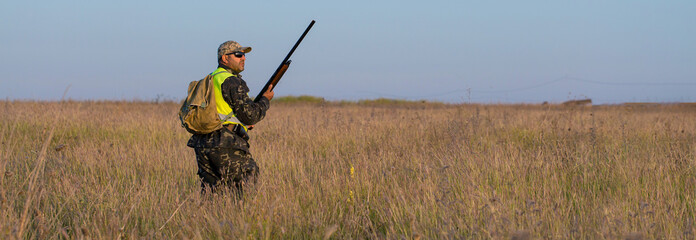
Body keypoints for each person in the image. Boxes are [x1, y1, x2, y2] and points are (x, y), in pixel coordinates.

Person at [187, 40, 274, 195]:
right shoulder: (231, 80)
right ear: (225, 58)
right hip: (225, 142)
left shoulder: (209, 79)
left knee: (212, 195)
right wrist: (265, 100)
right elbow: (250, 115)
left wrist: (241, 124)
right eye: (238, 54)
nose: (243, 58)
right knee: (245, 183)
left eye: (244, 55)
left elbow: (219, 110)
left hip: (203, 144)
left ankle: (209, 219)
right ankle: (238, 218)